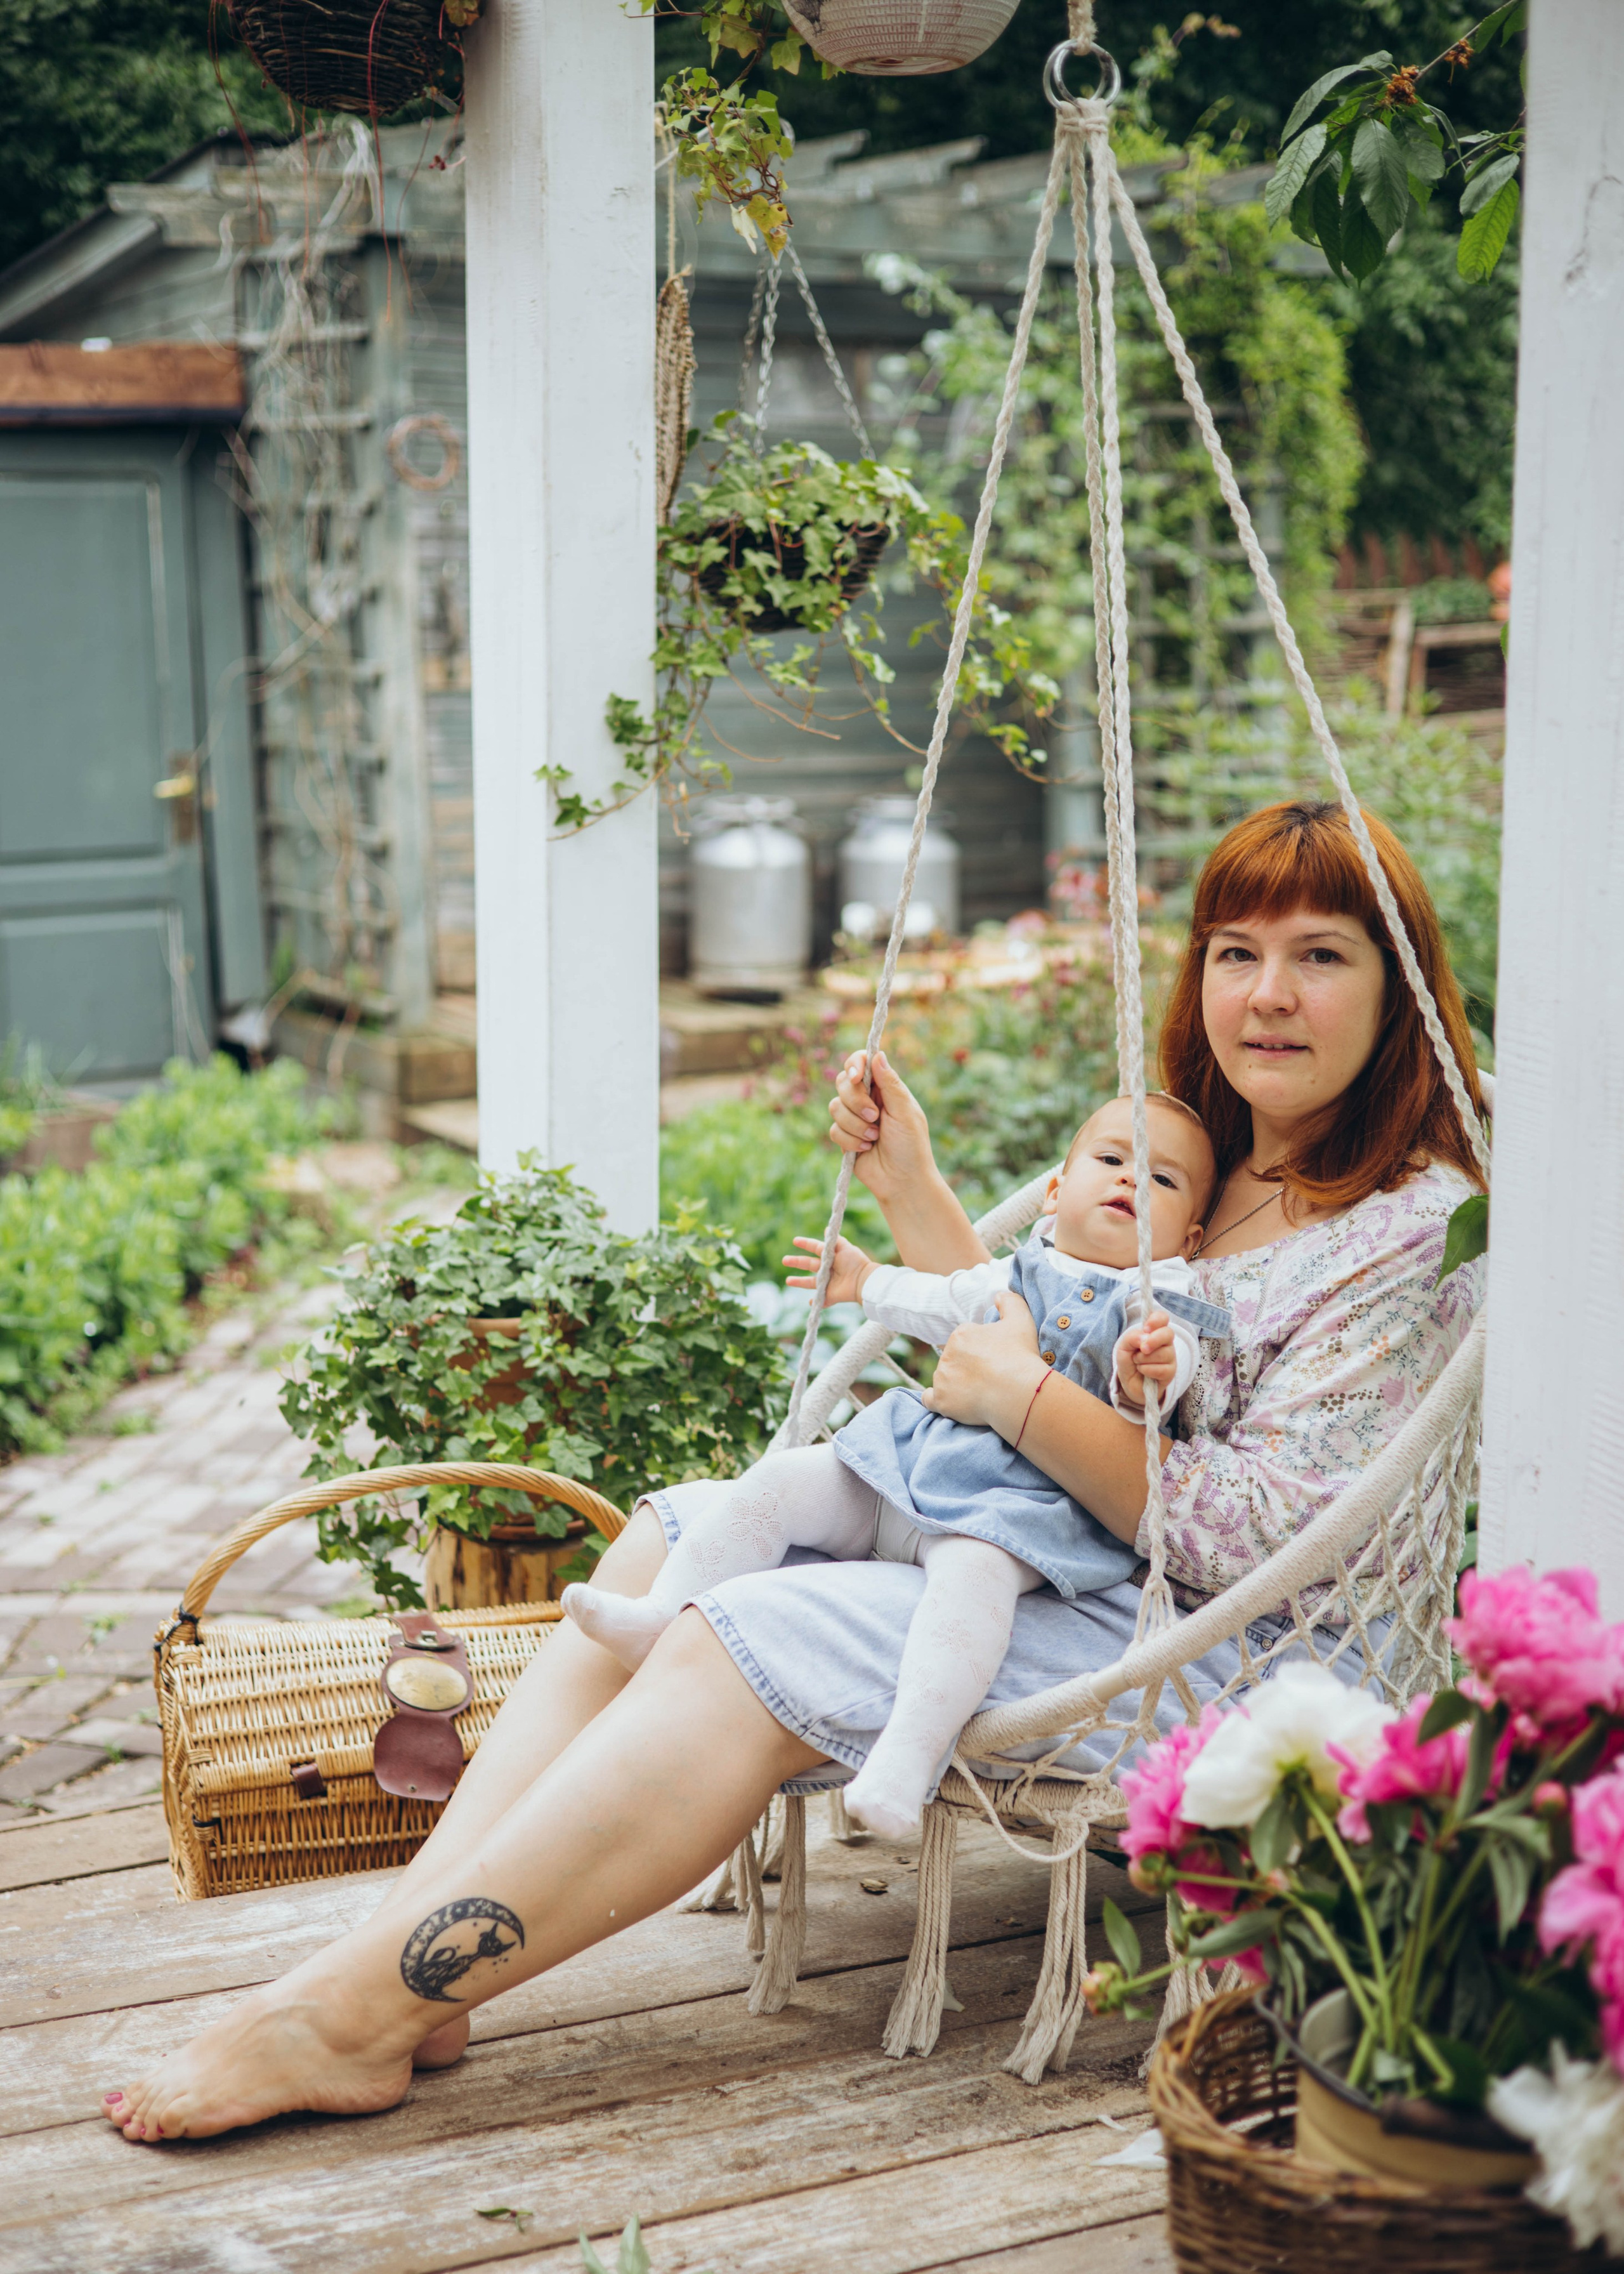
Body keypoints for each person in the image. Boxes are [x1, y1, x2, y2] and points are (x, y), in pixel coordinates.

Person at [100, 799, 1486, 2143]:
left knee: (745, 1629)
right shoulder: (1207, 1151)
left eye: (1320, 955)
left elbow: (1261, 1534)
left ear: (1397, 985)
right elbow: (1015, 1320)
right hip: (1066, 1555)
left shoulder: (1402, 1225)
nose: (1266, 995)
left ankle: (349, 2016)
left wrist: (1016, 1403)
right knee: (674, 1537)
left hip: (1225, 1643)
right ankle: (404, 1960)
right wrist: (912, 1188)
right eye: (1236, 952)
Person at [561, 1091, 1230, 1839]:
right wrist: (863, 1282)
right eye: (1111, 1160)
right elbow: (938, 1299)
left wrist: (1149, 1374)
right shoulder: (1015, 1272)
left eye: (1163, 1181)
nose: (1131, 1182)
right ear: (1053, 1191)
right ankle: (661, 1613)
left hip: (1020, 1513)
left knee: (971, 1596)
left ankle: (906, 1760)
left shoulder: (1161, 1299)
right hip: (912, 1463)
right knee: (783, 1482)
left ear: (1192, 1237)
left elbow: (1170, 1379)